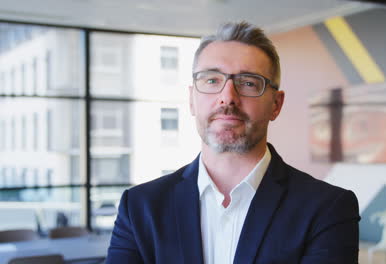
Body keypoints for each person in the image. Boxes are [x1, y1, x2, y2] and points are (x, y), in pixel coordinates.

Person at [106, 21, 360, 264]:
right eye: (212, 80)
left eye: (248, 83)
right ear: (192, 100)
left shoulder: (327, 209)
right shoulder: (140, 207)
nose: (227, 97)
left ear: (276, 104)